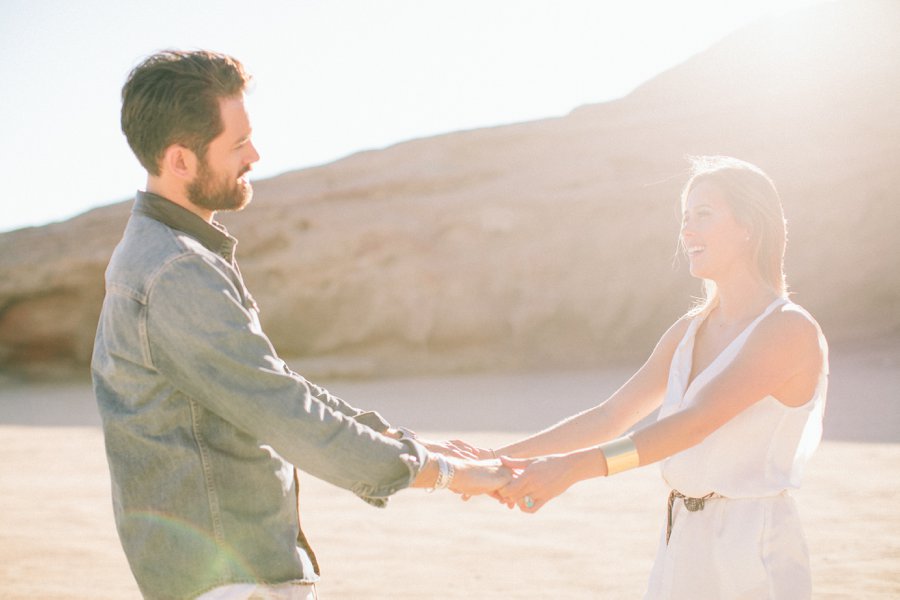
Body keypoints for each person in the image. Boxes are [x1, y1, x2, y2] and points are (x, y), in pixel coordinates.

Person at [92, 49, 508, 600]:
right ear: (181, 161)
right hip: (229, 580)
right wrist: (442, 474)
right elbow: (285, 413)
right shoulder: (176, 269)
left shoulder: (169, 254)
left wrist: (408, 443)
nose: (255, 155)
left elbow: (275, 384)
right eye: (238, 144)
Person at [460, 156, 828, 598]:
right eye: (685, 218)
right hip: (681, 535)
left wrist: (573, 468)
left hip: (752, 545)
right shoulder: (688, 331)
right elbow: (611, 415)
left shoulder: (788, 328)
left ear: (750, 225)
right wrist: (498, 459)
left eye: (704, 216)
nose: (687, 231)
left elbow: (692, 425)